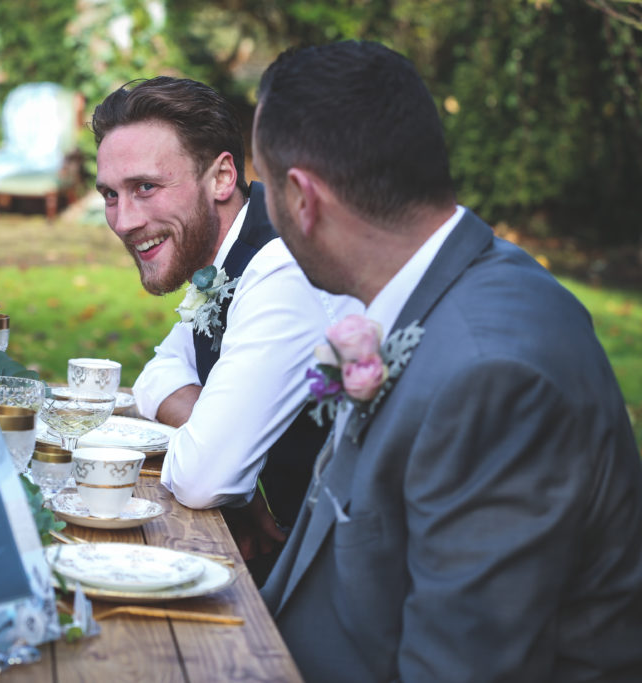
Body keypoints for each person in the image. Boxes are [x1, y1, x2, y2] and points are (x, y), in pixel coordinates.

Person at [253, 40, 642, 681]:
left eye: (263, 184)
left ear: (302, 197)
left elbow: (463, 666)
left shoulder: (493, 375)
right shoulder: (431, 292)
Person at [91, 76, 360, 583]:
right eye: (110, 194)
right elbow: (157, 373)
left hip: (335, 578)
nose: (124, 221)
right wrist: (216, 438)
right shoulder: (225, 256)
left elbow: (202, 479)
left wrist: (225, 455)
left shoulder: (281, 267)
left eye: (145, 187)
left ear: (220, 178)